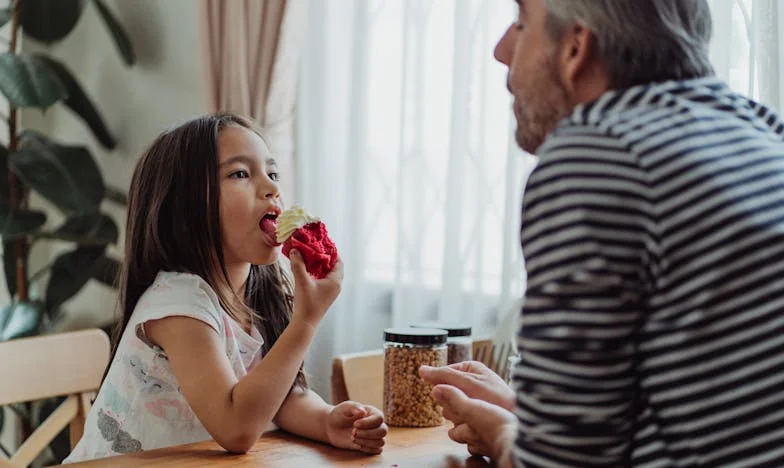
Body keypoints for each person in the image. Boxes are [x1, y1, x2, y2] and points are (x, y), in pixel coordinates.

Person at [420, 0, 784, 466]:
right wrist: (530, 416)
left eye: (521, 23)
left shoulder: (599, 153)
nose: (500, 50)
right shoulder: (762, 130)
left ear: (575, 48)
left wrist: (506, 436)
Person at [64, 114, 387, 463]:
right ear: (184, 210)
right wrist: (305, 322)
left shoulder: (259, 293)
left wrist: (325, 421)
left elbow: (278, 397)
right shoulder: (178, 304)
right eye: (240, 174)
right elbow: (235, 428)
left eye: (273, 173)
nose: (272, 188)